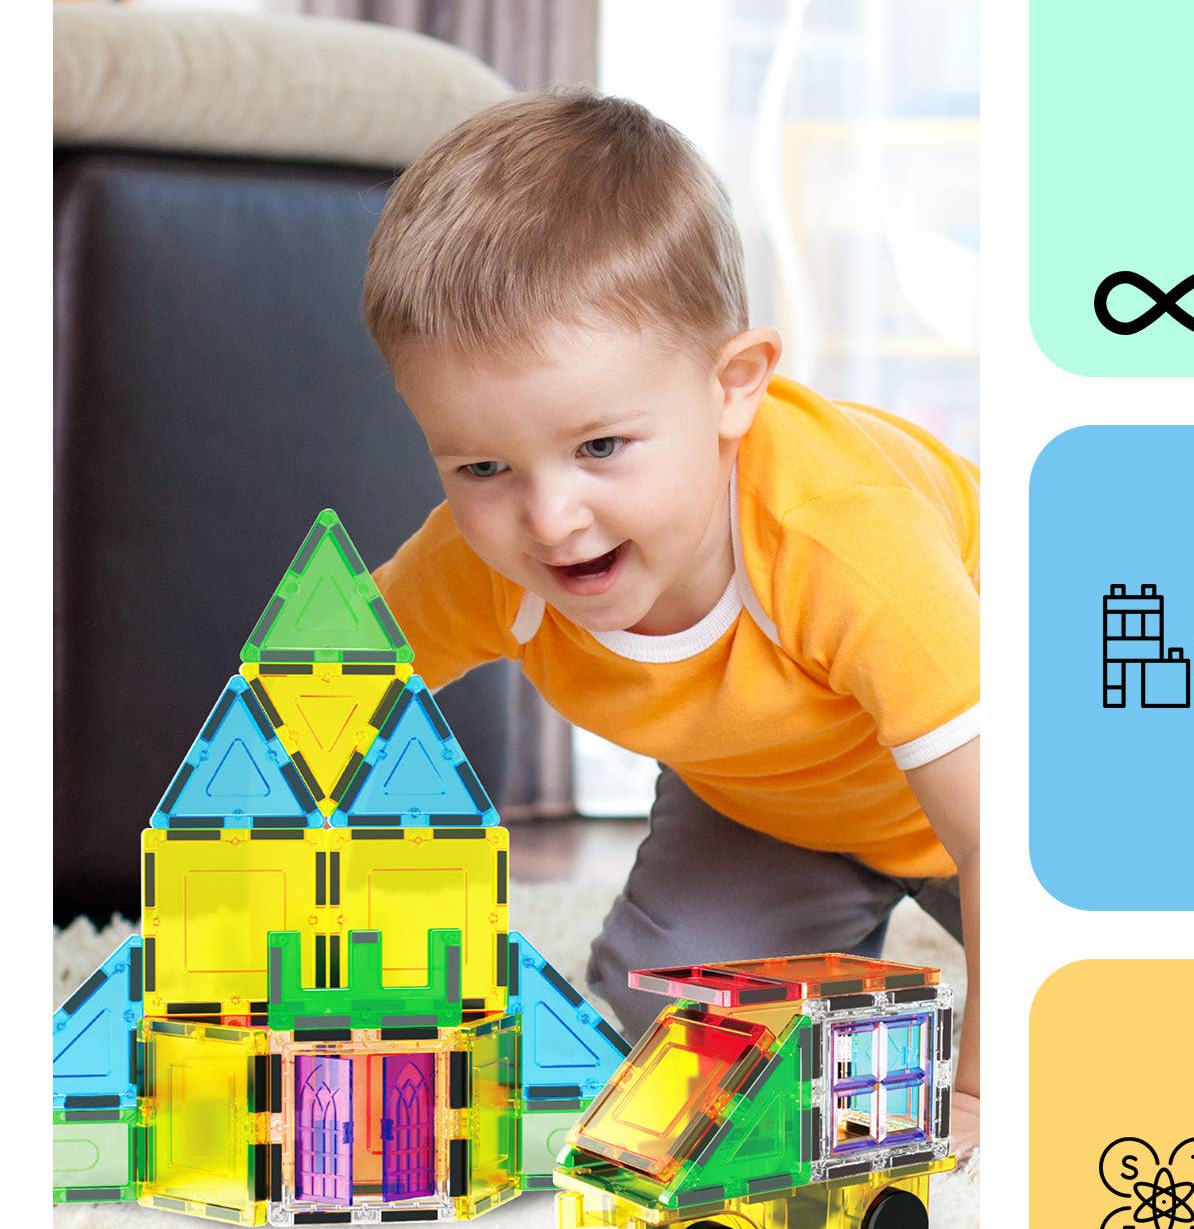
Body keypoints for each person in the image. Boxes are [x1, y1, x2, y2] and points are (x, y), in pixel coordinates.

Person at [361, 92, 980, 1111]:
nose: (550, 519)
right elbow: (306, 700)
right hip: (778, 804)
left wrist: (982, 1093)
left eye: (601, 446)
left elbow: (1009, 835)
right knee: (672, 1017)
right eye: (481, 466)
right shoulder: (482, 562)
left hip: (1024, 774)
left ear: (732, 387)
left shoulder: (841, 542)